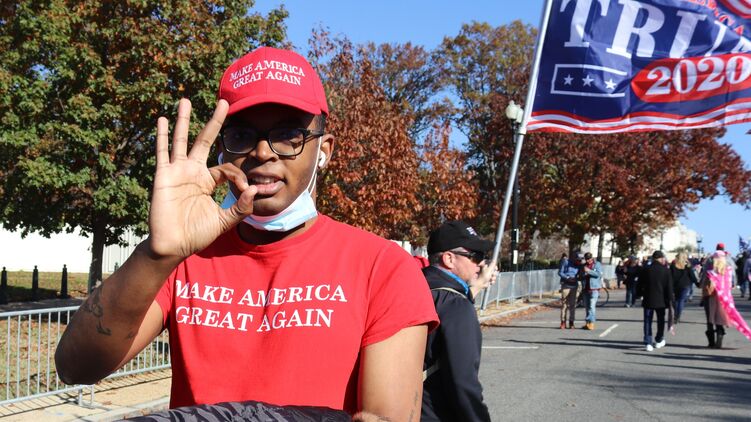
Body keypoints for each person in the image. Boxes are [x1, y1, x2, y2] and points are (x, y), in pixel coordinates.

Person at [54, 46, 439, 420]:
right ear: (223, 149)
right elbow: (76, 367)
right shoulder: (183, 259)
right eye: (241, 135)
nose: (262, 153)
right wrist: (156, 254)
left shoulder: (383, 268)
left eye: (288, 135)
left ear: (324, 150)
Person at [421, 220, 496, 422]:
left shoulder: (414, 288)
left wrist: (475, 286)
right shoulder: (457, 306)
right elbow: (464, 384)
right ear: (449, 259)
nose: (481, 263)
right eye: (475, 256)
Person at [638, 251, 674, 351]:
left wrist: (639, 294)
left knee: (647, 321)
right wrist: (671, 300)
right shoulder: (666, 271)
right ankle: (659, 339)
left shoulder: (646, 269)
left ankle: (648, 342)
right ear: (661, 258)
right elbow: (669, 288)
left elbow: (640, 284)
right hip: (661, 300)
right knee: (660, 320)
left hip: (648, 298)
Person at [670, 252, 698, 323]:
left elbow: (670, 276)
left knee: (676, 301)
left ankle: (676, 315)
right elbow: (692, 276)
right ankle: (678, 316)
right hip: (685, 285)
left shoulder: (673, 265)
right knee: (681, 300)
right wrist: (697, 283)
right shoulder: (688, 266)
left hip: (675, 285)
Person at [579, 252, 603, 330]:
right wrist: (583, 274)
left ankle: (592, 323)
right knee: (587, 307)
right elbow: (580, 276)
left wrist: (589, 271)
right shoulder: (584, 265)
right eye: (586, 259)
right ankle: (588, 323)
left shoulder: (597, 264)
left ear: (592, 258)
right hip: (585, 288)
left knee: (591, 306)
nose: (588, 260)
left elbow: (598, 274)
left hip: (594, 289)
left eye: (589, 259)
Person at [558, 252, 581, 329]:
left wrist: (578, 277)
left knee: (572, 305)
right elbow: (560, 272)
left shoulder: (579, 265)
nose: (578, 261)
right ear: (574, 258)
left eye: (580, 260)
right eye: (577, 260)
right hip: (566, 285)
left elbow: (581, 274)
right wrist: (567, 278)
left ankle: (571, 322)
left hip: (574, 286)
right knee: (564, 305)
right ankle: (563, 322)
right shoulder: (566, 262)